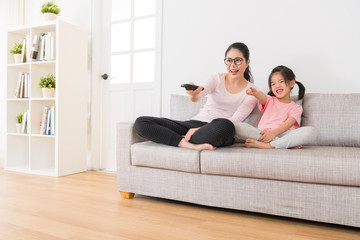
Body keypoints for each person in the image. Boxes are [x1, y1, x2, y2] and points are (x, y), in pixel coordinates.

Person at [134, 42, 258, 151]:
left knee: (226, 126)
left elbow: (235, 120)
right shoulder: (216, 78)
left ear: (247, 62)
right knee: (141, 122)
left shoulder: (252, 91)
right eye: (229, 60)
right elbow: (197, 97)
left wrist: (199, 130)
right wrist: (194, 94)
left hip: (218, 129)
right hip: (193, 125)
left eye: (238, 60)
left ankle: (181, 138)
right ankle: (184, 143)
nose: (233, 65)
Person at [235, 65, 318, 149]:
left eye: (281, 81)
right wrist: (255, 92)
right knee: (237, 126)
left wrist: (273, 133)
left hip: (284, 135)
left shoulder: (296, 108)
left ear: (292, 83)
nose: (277, 85)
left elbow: (287, 124)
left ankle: (269, 145)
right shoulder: (269, 100)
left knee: (311, 131)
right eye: (273, 84)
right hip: (262, 134)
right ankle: (284, 144)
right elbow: (261, 96)